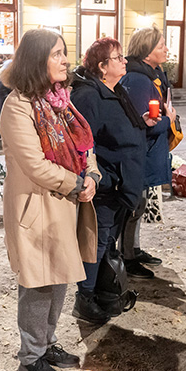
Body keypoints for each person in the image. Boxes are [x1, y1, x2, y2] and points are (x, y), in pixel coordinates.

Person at [0, 29, 99, 371]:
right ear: (36, 60)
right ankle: (31, 356)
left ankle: (48, 343)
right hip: (37, 210)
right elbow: (35, 164)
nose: (65, 60)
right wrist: (76, 184)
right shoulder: (18, 106)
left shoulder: (60, 100)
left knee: (60, 280)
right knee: (39, 286)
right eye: (56, 54)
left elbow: (85, 148)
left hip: (66, 206)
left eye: (65, 53)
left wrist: (91, 176)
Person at [70, 38, 153, 324]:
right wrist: (103, 178)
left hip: (121, 184)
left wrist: (143, 120)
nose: (125, 61)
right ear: (102, 67)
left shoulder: (116, 90)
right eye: (118, 58)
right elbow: (81, 145)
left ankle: (105, 291)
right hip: (106, 186)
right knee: (97, 242)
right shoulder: (89, 96)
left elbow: (121, 131)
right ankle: (86, 298)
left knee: (107, 243)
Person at [119, 28, 176, 279]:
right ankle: (127, 257)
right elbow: (141, 125)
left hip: (147, 153)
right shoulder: (139, 80)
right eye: (161, 45)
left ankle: (134, 249)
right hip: (139, 155)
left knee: (139, 205)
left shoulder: (152, 75)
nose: (166, 49)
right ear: (146, 49)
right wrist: (169, 121)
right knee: (134, 205)